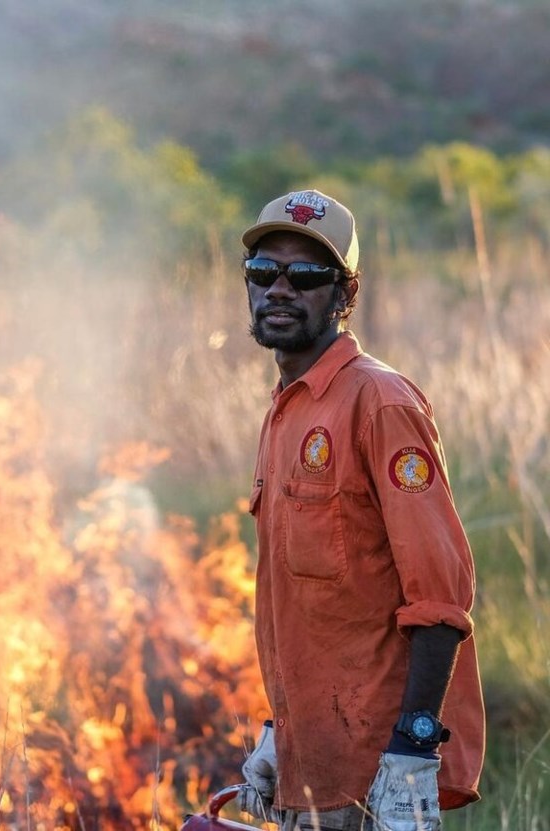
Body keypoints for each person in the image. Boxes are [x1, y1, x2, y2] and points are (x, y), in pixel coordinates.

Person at [234, 189, 485, 831]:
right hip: (308, 773)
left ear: (346, 293)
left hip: (375, 782)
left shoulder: (381, 403)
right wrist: (279, 733)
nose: (280, 290)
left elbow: (441, 597)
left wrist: (414, 747)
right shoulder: (284, 411)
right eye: (264, 273)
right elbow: (317, 610)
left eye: (307, 274)